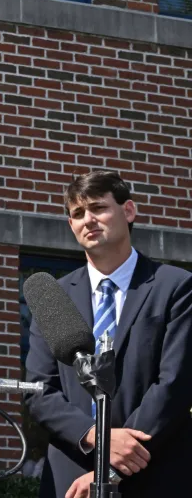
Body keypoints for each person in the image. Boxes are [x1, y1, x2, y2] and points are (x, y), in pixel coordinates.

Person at [25, 171, 192, 498]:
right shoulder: (52, 297)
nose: (87, 220)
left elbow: (175, 384)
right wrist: (95, 438)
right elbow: (39, 391)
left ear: (128, 211)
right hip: (71, 478)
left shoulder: (175, 286)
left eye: (98, 208)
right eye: (77, 214)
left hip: (154, 471)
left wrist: (113, 466)